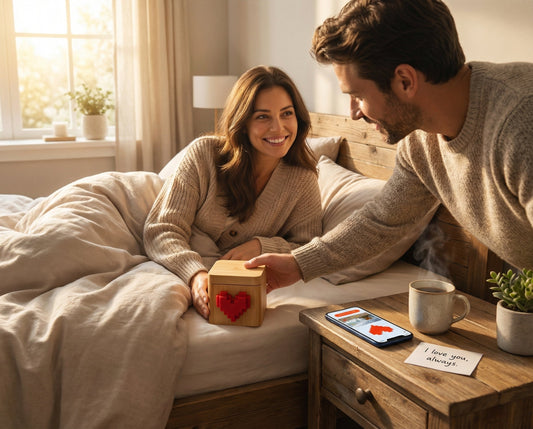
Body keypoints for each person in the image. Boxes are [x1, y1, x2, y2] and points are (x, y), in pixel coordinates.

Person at [245, 0, 533, 289]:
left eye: (357, 95)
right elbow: (383, 221)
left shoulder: (521, 123)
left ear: (405, 81)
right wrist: (298, 263)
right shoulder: (420, 142)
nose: (354, 113)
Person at [143, 65, 322, 318]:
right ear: (243, 121)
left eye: (287, 113)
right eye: (263, 116)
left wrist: (261, 246)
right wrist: (195, 274)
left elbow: (309, 248)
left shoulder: (302, 179)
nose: (278, 128)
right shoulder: (204, 154)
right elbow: (163, 228)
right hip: (172, 256)